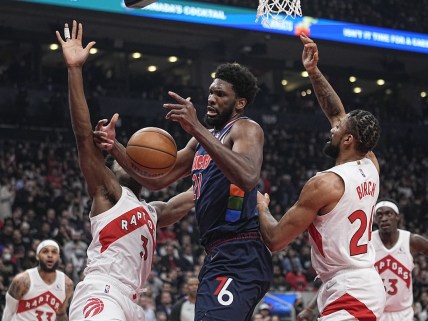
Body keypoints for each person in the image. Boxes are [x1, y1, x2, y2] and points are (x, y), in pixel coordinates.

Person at [95, 56, 272, 319]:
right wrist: (115, 147)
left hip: (240, 250)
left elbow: (247, 176)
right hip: (217, 252)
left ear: (240, 103)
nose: (211, 98)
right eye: (211, 92)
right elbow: (156, 179)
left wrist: (197, 128)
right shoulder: (200, 141)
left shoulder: (245, 128)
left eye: (220, 94)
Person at [55, 20, 194, 321]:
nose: (127, 159)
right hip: (101, 292)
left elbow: (192, 195)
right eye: (122, 157)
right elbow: (82, 135)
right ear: (111, 168)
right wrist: (75, 70)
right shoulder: (108, 193)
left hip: (133, 304)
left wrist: (209, 133)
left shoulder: (153, 211)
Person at [257, 33, 385, 320]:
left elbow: (276, 240)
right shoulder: (371, 163)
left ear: (349, 139)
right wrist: (313, 72)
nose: (333, 129)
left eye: (339, 130)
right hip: (352, 283)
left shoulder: (325, 183)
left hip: (353, 291)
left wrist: (261, 209)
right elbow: (336, 112)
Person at [373, 199, 428, 321]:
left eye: (389, 214)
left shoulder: (411, 240)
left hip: (403, 314)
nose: (384, 218)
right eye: (379, 215)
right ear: (376, 220)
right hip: (375, 312)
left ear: (397, 217)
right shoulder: (367, 242)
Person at [2, 240, 74, 321]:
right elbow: (9, 311)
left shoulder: (67, 284)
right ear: (37, 256)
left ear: (58, 257)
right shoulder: (22, 281)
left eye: (54, 252)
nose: (50, 255)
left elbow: (61, 314)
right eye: (45, 251)